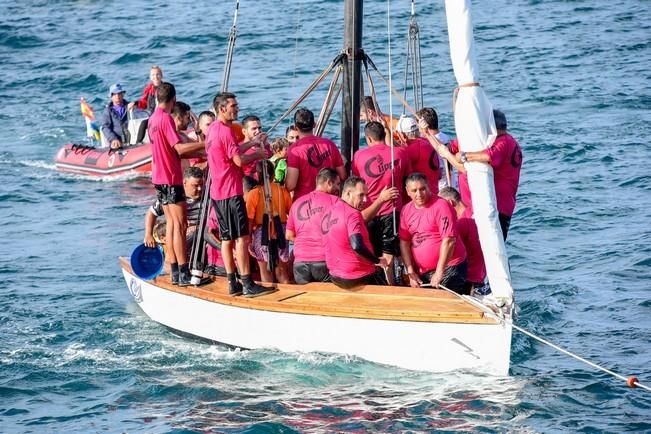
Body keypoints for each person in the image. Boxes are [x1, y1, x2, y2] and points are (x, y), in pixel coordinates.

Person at [206, 91, 273, 297]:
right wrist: (258, 154)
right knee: (242, 239)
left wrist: (251, 143)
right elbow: (238, 160)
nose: (237, 109)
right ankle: (247, 283)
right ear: (222, 109)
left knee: (227, 239)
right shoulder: (225, 131)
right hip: (231, 191)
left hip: (218, 192)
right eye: (233, 106)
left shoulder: (213, 129)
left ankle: (232, 282)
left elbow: (232, 150)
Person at [148, 82, 206, 286]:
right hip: (171, 177)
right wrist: (206, 144)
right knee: (180, 226)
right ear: (173, 99)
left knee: (172, 224)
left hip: (158, 178)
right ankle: (184, 272)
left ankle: (174, 271)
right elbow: (179, 149)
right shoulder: (165, 119)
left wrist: (200, 148)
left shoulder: (152, 119)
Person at [352, 121, 411, 283]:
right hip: (391, 212)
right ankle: (390, 286)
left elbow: (355, 184)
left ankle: (377, 285)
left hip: (368, 211)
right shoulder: (400, 153)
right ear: (385, 135)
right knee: (388, 256)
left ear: (368, 139)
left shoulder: (358, 156)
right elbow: (408, 181)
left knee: (370, 253)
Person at [452, 109, 523, 240]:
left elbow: (488, 156)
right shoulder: (511, 142)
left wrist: (464, 156)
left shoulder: (504, 141)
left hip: (500, 204)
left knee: (492, 241)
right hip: (504, 202)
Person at [399, 173, 468, 293]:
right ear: (407, 191)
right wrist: (410, 271)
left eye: (422, 189)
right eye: (414, 190)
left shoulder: (441, 206)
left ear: (428, 186)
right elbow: (404, 242)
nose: (419, 194)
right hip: (423, 271)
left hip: (449, 267)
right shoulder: (406, 210)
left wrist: (439, 272)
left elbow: (449, 240)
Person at [323, 176, 389, 289]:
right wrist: (377, 260)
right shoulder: (352, 213)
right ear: (348, 193)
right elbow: (357, 245)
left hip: (335, 276)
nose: (365, 200)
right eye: (361, 195)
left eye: (366, 195)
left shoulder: (329, 212)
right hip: (358, 276)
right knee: (388, 295)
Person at [285, 168, 341, 284]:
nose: (338, 188)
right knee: (327, 300)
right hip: (323, 260)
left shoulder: (296, 203)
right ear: (329, 182)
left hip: (300, 262)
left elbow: (289, 235)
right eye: (338, 184)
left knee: (305, 299)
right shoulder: (335, 201)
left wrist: (305, 241)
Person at [246, 160, 293, 283]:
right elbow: (291, 212)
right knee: (281, 270)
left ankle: (268, 293)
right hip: (281, 231)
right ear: (273, 175)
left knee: (264, 270)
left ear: (257, 175)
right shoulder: (282, 191)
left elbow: (250, 220)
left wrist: (248, 239)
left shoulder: (253, 193)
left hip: (262, 233)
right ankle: (286, 292)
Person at [285, 108, 347, 200]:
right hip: (329, 200)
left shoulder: (295, 150)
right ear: (314, 124)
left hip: (305, 203)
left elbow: (290, 185)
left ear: (296, 128)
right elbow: (342, 176)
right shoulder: (330, 144)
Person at [438, 187, 487, 294]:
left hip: (467, 278)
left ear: (450, 203)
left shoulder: (461, 224)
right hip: (481, 275)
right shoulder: (475, 214)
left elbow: (450, 250)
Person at [143, 166, 205, 250]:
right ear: (184, 183)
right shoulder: (174, 198)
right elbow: (151, 213)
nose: (200, 188)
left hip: (204, 231)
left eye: (201, 185)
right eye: (195, 185)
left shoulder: (208, 196)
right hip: (184, 235)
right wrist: (148, 235)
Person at [396, 115, 441, 196]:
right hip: (434, 190)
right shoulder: (427, 141)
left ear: (403, 135)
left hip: (424, 195)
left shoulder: (413, 149)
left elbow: (397, 156)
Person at [101, 83, 130, 149]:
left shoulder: (130, 106)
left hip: (132, 140)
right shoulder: (108, 110)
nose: (117, 96)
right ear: (111, 96)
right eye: (114, 94)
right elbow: (105, 127)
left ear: (123, 94)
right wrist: (113, 139)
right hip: (117, 143)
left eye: (119, 93)